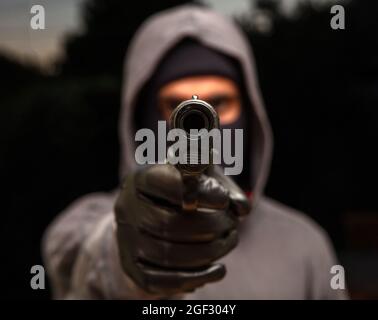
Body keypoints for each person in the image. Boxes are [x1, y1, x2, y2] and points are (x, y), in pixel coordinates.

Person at [42, 5, 347, 299]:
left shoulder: (305, 244)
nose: (198, 130)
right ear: (142, 118)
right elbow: (87, 260)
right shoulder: (79, 227)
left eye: (220, 103)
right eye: (176, 106)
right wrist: (132, 246)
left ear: (251, 115)